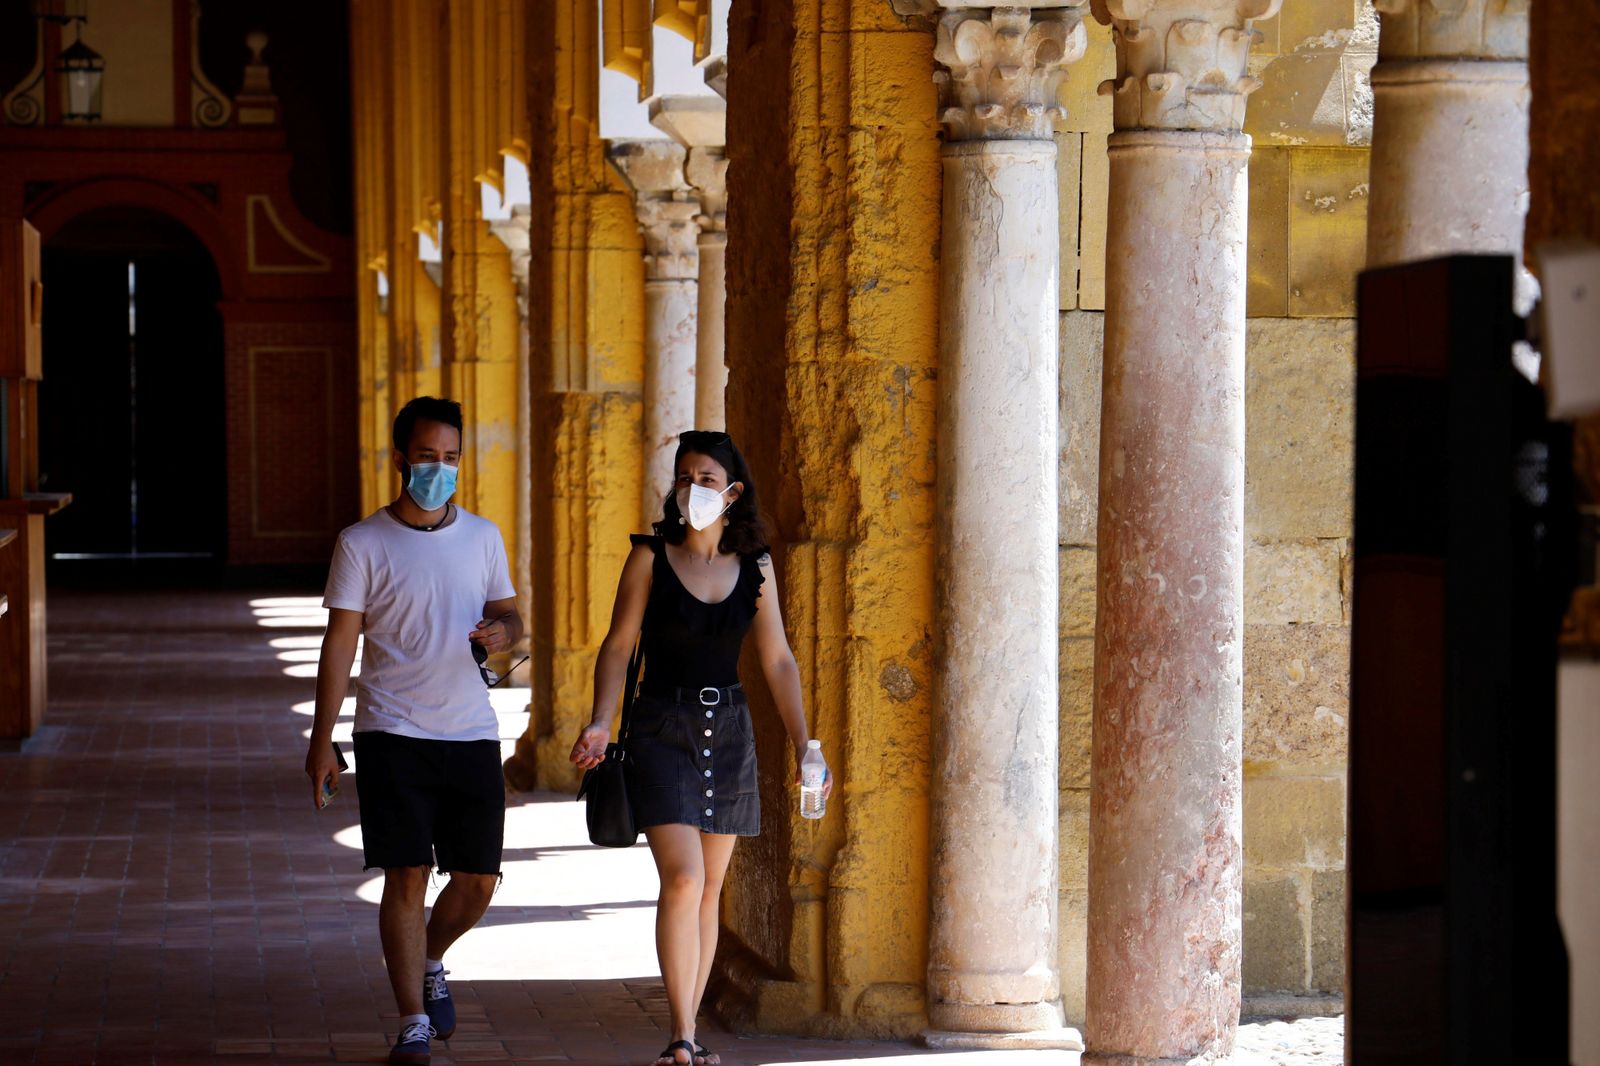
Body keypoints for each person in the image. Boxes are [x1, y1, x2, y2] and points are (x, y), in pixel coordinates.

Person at [569, 430, 830, 1066]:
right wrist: (602, 722)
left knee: (712, 886)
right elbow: (618, 645)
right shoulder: (650, 558)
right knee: (683, 879)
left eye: (707, 479)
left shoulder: (756, 565)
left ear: (733, 493)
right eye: (684, 478)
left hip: (730, 730)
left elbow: (778, 659)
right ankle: (681, 1033)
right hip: (661, 728)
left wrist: (806, 745)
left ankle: (690, 1036)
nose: (692, 490)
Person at [305, 396, 522, 1066]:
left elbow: (514, 618)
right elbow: (339, 643)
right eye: (427, 457)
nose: (439, 469)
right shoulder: (362, 542)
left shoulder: (483, 537)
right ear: (400, 458)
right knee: (406, 873)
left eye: (451, 458)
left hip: (469, 730)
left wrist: (502, 633)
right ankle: (411, 1022)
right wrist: (322, 738)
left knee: (479, 878)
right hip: (390, 729)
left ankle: (432, 957)